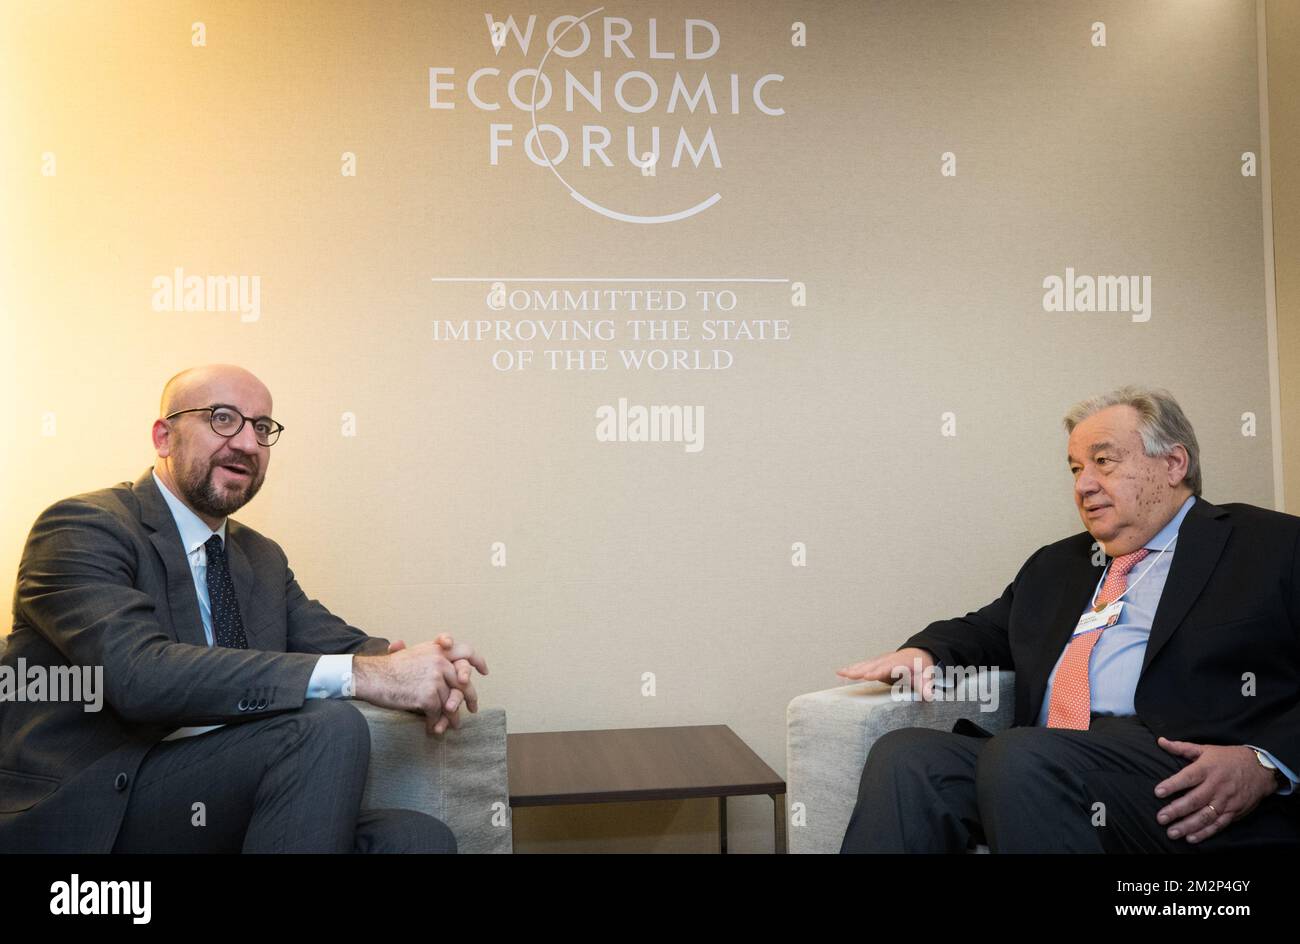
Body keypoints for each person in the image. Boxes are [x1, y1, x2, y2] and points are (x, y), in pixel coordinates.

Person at [0, 364, 488, 853]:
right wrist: (366, 674)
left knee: (416, 839)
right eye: (222, 418)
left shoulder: (259, 557)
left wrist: (427, 666)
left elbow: (343, 645)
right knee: (323, 727)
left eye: (261, 428)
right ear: (164, 436)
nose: (248, 444)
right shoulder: (83, 527)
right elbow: (138, 676)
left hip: (224, 791)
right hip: (96, 807)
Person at [836, 385, 1300, 852]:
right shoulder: (1058, 564)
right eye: (1076, 468)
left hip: (1177, 771)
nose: (1083, 484)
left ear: (1173, 464)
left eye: (1104, 461)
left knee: (1022, 754)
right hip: (1041, 763)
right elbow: (989, 629)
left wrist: (1265, 762)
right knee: (907, 756)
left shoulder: (1270, 546)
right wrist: (925, 651)